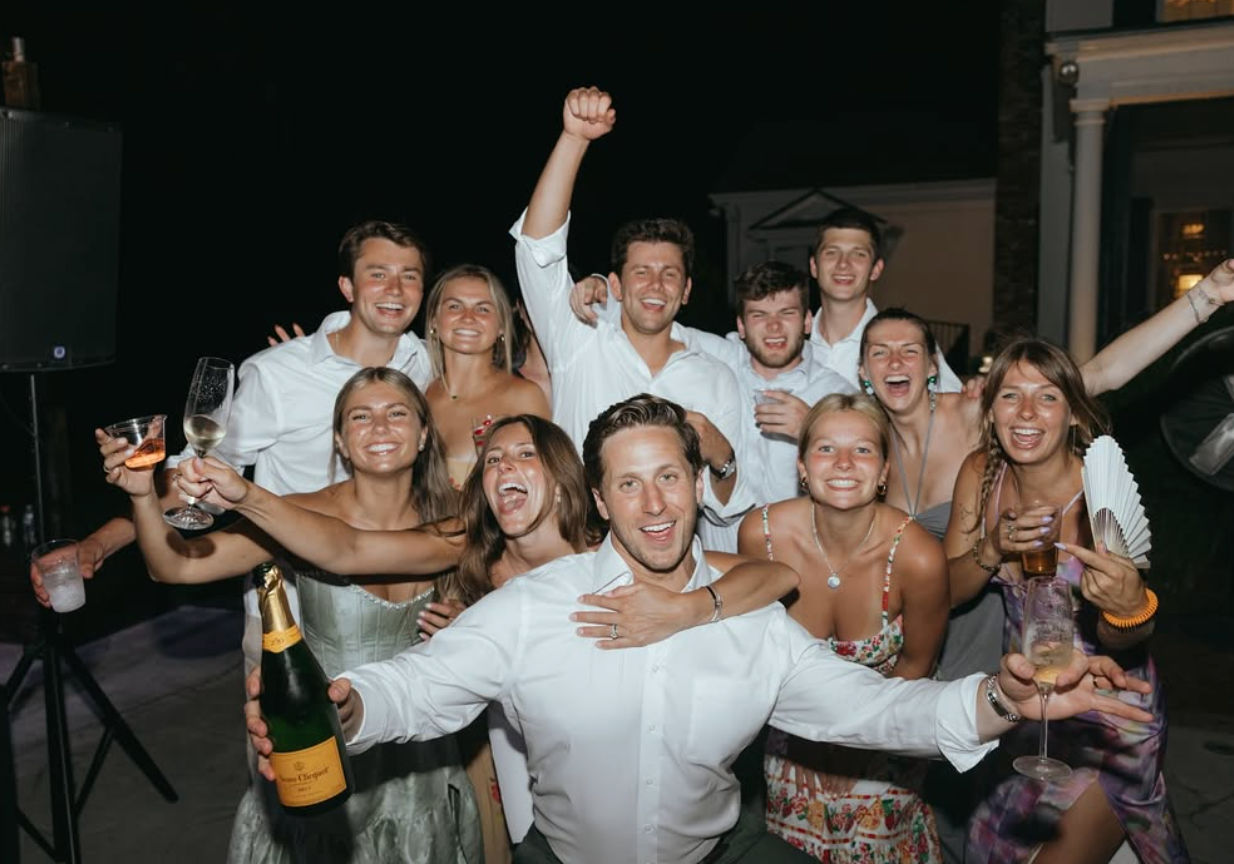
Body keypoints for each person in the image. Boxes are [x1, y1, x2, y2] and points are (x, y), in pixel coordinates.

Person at [221, 394, 1151, 864]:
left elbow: (876, 710)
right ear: (598, 500)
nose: (655, 504)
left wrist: (1003, 699)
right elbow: (420, 686)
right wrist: (347, 706)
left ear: (698, 484)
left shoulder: (754, 623)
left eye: (670, 476)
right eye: (628, 484)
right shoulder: (534, 609)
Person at [179, 409, 797, 855]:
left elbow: (774, 573)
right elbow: (347, 549)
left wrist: (688, 608)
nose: (505, 467)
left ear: (563, 475)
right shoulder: (468, 548)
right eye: (493, 459)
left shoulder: (617, 550)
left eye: (525, 454)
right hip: (494, 742)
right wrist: (248, 497)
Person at [99, 368, 481, 864]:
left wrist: (465, 620)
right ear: (340, 441)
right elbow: (175, 566)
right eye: (360, 417)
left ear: (424, 433)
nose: (380, 427)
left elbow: (349, 550)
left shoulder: (457, 519)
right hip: (319, 729)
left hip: (417, 742)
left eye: (397, 413)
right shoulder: (299, 514)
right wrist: (143, 496)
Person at [31, 218, 440, 669]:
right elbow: (197, 477)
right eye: (378, 274)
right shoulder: (279, 374)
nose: (395, 290)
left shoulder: (429, 364)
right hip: (291, 612)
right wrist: (98, 544)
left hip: (405, 611)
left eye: (409, 276)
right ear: (347, 286)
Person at [944, 338, 1188, 864]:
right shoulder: (981, 474)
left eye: (1048, 396)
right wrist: (993, 547)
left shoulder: (1099, 494)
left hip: (1111, 713)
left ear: (1075, 414)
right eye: (1011, 395)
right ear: (991, 410)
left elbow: (1123, 638)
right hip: (1031, 708)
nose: (1027, 412)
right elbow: (949, 591)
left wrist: (1128, 609)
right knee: (986, 850)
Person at [510, 86, 754, 551]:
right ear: (616, 285)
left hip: (672, 560)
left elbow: (725, 507)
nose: (655, 285)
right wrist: (574, 139)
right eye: (641, 272)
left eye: (669, 274)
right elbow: (536, 248)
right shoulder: (577, 340)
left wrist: (721, 455)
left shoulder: (715, 374)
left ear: (686, 291)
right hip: (578, 552)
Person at [738, 394, 948, 862]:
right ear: (802, 466)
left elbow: (916, 664)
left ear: (884, 471)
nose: (844, 463)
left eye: (863, 450)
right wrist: (812, 743)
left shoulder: (918, 557)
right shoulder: (761, 536)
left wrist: (856, 749)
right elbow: (756, 651)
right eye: (826, 448)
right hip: (794, 729)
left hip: (888, 727)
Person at [421, 264, 551, 490]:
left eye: (482, 309)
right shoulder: (421, 393)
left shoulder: (524, 397)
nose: (468, 317)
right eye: (454, 306)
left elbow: (545, 485)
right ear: (434, 319)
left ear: (501, 325)